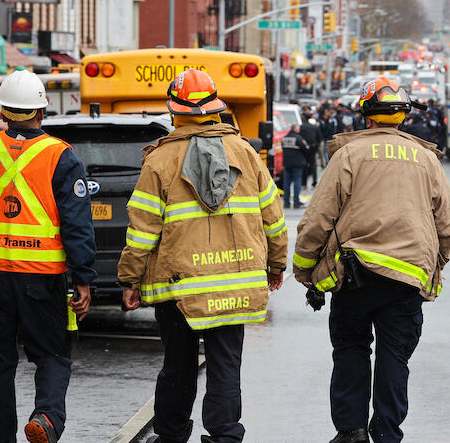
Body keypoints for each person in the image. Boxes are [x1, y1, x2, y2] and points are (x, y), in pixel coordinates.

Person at [117, 69, 288, 443]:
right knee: (226, 365)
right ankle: (225, 435)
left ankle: (172, 434)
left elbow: (143, 230)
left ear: (173, 111)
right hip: (236, 284)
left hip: (178, 288)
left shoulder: (159, 161)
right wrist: (276, 265)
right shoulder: (245, 152)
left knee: (177, 366)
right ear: (215, 109)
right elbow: (273, 218)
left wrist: (130, 280)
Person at [292, 76, 450, 443]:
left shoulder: (349, 155)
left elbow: (319, 218)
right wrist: (437, 263)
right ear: (404, 117)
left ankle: (350, 431)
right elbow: (445, 224)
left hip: (355, 277)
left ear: (366, 116)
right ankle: (386, 432)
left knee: (351, 349)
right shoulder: (427, 159)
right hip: (408, 280)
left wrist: (304, 267)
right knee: (394, 358)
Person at [0, 70, 96, 443]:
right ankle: (47, 419)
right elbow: (77, 224)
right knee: (52, 355)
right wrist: (83, 279)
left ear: (2, 108)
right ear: (42, 111)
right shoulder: (60, 155)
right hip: (42, 279)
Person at [281, 123, 310, 208]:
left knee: (287, 182)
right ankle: (296, 201)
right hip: (297, 163)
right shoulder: (298, 138)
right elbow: (305, 149)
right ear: (296, 129)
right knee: (297, 181)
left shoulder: (285, 138)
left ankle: (286, 202)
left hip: (287, 163)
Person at [300, 112, 323, 188]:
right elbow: (320, 138)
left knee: (305, 165)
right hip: (313, 148)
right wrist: (315, 145)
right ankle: (314, 181)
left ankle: (304, 182)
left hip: (304, 149)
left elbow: (299, 138)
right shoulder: (314, 127)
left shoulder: (301, 127)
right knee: (313, 165)